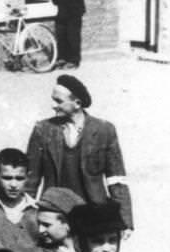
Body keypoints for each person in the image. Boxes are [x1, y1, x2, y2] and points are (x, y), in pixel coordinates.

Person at [24, 75, 132, 232]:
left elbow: (116, 180)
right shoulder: (43, 130)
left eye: (58, 101)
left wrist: (125, 220)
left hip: (93, 213)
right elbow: (31, 181)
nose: (53, 106)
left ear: (77, 104)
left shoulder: (104, 130)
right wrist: (28, 218)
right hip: (55, 215)